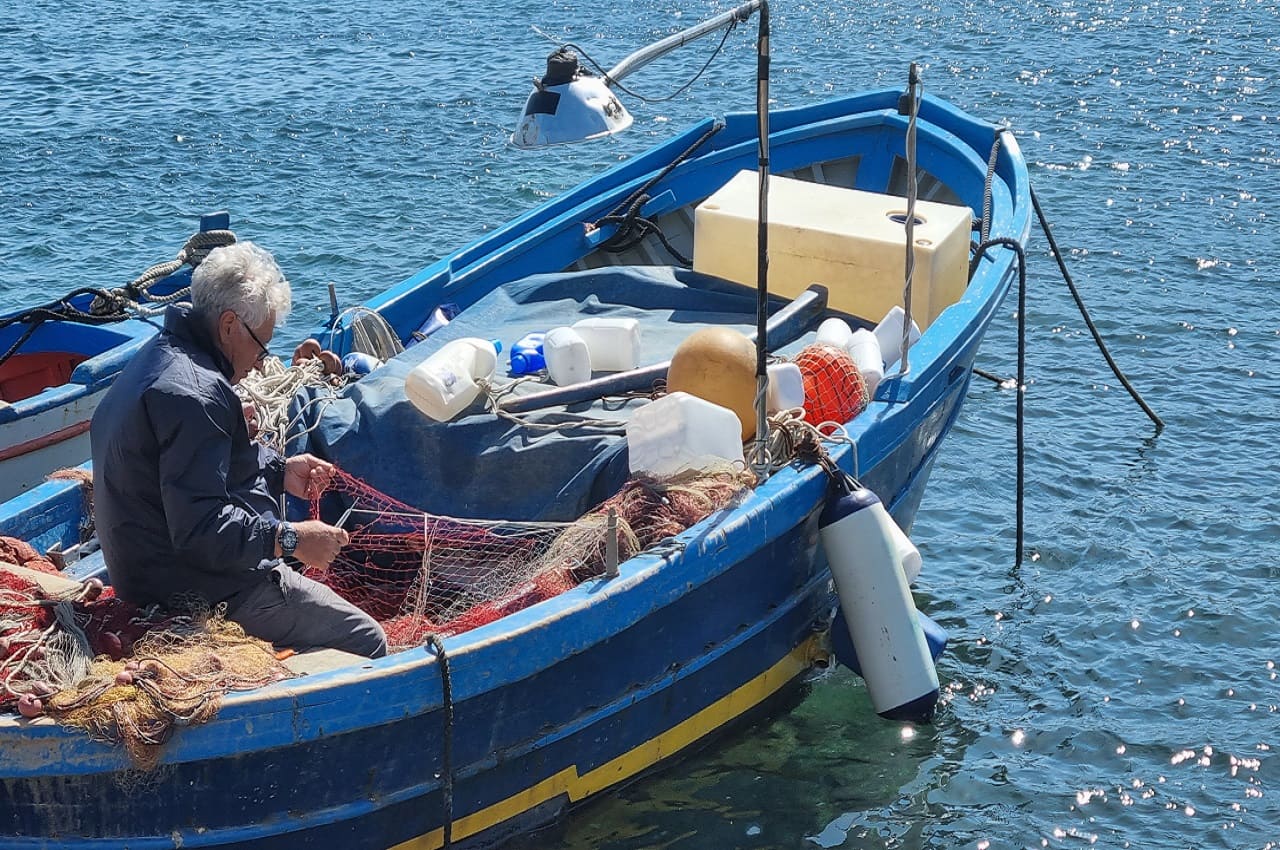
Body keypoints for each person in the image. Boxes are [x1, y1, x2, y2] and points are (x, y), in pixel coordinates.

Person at [90, 241, 387, 658]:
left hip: (141, 572)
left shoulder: (160, 358)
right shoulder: (197, 394)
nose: (264, 361)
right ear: (229, 326)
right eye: (262, 345)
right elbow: (200, 530)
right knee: (368, 640)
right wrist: (290, 539)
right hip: (191, 592)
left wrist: (278, 470)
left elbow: (190, 473)